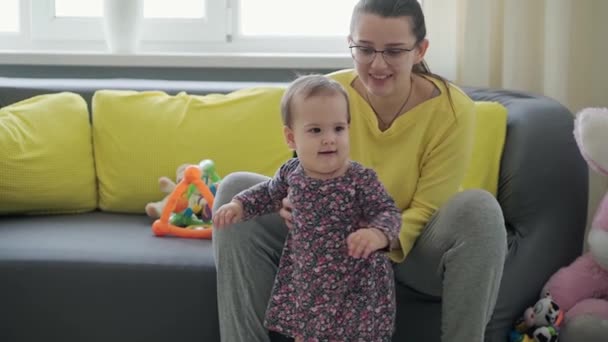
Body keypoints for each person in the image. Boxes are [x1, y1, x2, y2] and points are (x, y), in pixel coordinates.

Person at [212, 0, 507, 341]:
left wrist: (377, 236)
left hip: (410, 249)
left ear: (420, 50)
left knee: (480, 209)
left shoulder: (454, 110)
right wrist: (288, 203)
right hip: (327, 247)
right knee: (235, 189)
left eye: (394, 51)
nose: (378, 65)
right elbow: (302, 172)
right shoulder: (326, 93)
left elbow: (427, 209)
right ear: (349, 43)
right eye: (365, 49)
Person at [213, 74, 402, 341]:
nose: (329, 139)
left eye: (338, 129)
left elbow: (388, 212)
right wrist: (239, 205)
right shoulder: (292, 173)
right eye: (316, 130)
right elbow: (267, 194)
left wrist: (377, 234)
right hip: (309, 284)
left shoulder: (360, 179)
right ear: (291, 138)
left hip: (357, 286)